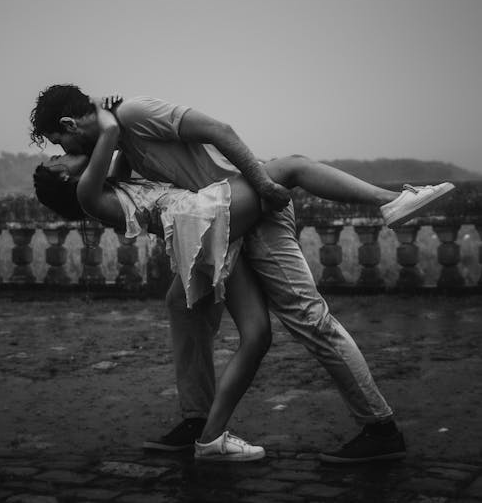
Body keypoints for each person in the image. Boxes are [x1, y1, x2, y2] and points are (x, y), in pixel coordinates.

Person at [30, 84, 454, 463]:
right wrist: (104, 123)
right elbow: (109, 149)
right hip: (209, 221)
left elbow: (217, 132)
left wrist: (111, 122)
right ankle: (203, 426)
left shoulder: (131, 123)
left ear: (68, 125)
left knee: (283, 323)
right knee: (285, 178)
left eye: (57, 144)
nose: (60, 152)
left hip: (231, 212)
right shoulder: (105, 163)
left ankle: (218, 429)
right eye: (57, 154)